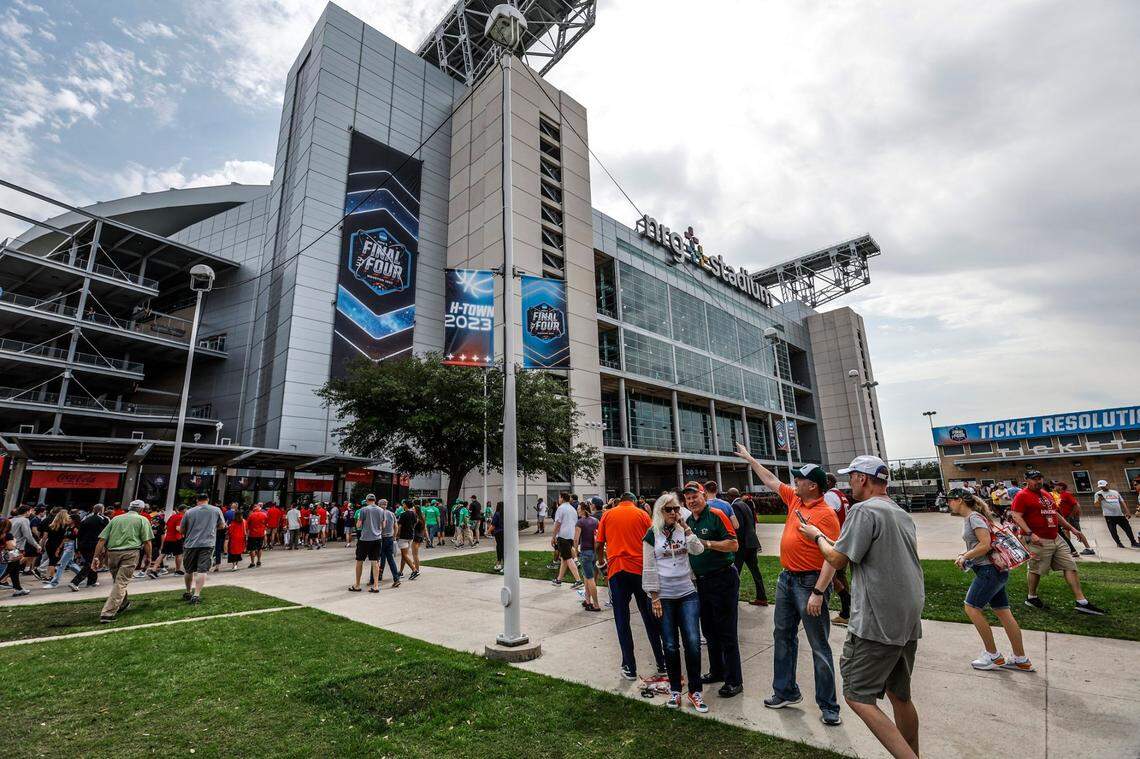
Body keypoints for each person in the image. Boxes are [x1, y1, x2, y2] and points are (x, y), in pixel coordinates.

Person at [798, 455, 925, 759]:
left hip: (877, 620)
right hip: (906, 618)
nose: (848, 482)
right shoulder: (898, 512)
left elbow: (837, 559)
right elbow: (851, 550)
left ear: (863, 479)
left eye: (851, 476)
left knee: (857, 695)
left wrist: (815, 536)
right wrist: (827, 540)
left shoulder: (863, 511)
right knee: (899, 695)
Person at [735, 448, 841, 724]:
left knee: (819, 645)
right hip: (787, 579)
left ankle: (829, 706)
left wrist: (818, 592)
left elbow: (833, 558)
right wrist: (749, 458)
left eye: (800, 479)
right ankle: (785, 691)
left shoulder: (826, 515)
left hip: (810, 583)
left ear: (813, 485)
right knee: (782, 635)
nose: (795, 482)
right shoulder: (796, 499)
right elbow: (770, 479)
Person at [945, 488, 1034, 671]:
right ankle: (1020, 659)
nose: (948, 504)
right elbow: (982, 543)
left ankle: (993, 655)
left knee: (971, 608)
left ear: (960, 500)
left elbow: (985, 545)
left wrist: (965, 556)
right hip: (993, 570)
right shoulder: (974, 517)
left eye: (950, 500)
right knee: (1003, 612)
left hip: (988, 571)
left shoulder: (974, 518)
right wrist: (967, 553)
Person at [641, 492, 708, 712]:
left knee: (692, 642)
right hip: (665, 596)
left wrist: (687, 529)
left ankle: (695, 691)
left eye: (676, 509)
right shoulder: (652, 535)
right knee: (670, 645)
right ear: (660, 512)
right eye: (668, 509)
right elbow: (649, 567)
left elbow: (698, 550)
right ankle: (675, 690)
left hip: (687, 592)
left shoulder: (684, 530)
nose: (673, 513)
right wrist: (655, 597)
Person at [679, 480, 743, 700]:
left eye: (694, 496)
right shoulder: (688, 521)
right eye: (687, 498)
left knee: (726, 632)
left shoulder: (716, 515)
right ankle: (717, 671)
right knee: (709, 630)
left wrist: (707, 543)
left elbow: (733, 544)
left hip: (723, 578)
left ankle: (734, 680)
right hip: (701, 582)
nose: (691, 500)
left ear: (703, 495)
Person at [1010, 471, 1106, 614]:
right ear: (1027, 481)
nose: (1038, 481)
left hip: (1055, 536)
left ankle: (1081, 602)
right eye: (1034, 479)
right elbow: (1016, 515)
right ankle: (1032, 597)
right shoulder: (1022, 495)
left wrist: (1072, 529)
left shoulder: (1046, 494)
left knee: (1070, 565)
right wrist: (1030, 533)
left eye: (1040, 478)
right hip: (1037, 539)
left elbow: (1055, 514)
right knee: (1037, 569)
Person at [596, 491, 666, 680]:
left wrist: (602, 564)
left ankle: (630, 666)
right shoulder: (642, 514)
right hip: (640, 570)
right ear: (634, 502)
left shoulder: (608, 514)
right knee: (650, 617)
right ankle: (662, 662)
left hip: (617, 570)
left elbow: (599, 543)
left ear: (621, 501)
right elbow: (653, 540)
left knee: (622, 619)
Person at [92, 500, 154, 622]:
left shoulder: (115, 519)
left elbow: (101, 539)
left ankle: (123, 603)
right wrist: (149, 557)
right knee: (121, 583)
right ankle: (107, 613)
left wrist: (96, 556)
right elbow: (147, 541)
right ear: (141, 510)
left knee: (118, 581)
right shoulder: (142, 520)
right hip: (130, 552)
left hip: (112, 553)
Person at [179, 493, 226, 605]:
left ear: (197, 500)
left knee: (188, 569)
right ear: (208, 499)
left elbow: (182, 530)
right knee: (202, 570)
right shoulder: (216, 510)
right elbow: (222, 525)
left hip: (191, 544)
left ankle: (188, 591)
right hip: (207, 543)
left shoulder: (189, 512)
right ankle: (196, 594)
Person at [727, 487, 767, 606]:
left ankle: (732, 599)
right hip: (752, 543)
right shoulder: (745, 504)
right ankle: (762, 597)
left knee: (735, 573)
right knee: (755, 572)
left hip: (742, 545)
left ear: (730, 497)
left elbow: (738, 527)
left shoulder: (735, 506)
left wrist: (734, 543)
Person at [824, 474, 853, 626]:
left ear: (828, 482)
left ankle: (846, 605)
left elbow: (825, 517)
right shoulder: (840, 495)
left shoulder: (829, 496)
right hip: (843, 539)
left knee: (831, 576)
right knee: (840, 576)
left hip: (835, 541)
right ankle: (847, 611)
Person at [70, 504, 108, 590]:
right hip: (95, 544)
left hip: (83, 544)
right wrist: (105, 546)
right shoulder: (103, 519)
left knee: (90, 561)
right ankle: (75, 582)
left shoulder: (85, 519)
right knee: (91, 562)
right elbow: (106, 533)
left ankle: (92, 581)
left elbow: (79, 534)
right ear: (101, 510)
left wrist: (77, 548)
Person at [350, 494, 384, 592]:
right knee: (375, 562)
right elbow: (382, 525)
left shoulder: (363, 510)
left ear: (366, 500)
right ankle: (376, 586)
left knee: (359, 561)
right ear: (375, 500)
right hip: (377, 538)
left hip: (365, 539)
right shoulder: (381, 510)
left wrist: (358, 524)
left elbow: (359, 524)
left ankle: (357, 585)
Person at [551, 492, 584, 588]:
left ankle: (578, 581)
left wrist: (553, 537)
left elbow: (557, 524)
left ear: (562, 498)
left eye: (559, 497)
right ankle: (558, 580)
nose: (558, 499)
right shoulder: (572, 509)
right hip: (570, 536)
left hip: (563, 536)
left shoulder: (560, 508)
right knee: (564, 559)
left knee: (568, 559)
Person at [1093, 479, 1138, 548]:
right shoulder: (1097, 494)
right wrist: (1099, 500)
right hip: (1109, 516)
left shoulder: (1115, 492)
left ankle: (1133, 542)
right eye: (1101, 487)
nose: (1102, 488)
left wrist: (1127, 511)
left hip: (1119, 514)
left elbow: (1122, 501)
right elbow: (1096, 505)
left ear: (1107, 485)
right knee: (1113, 530)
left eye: (1103, 486)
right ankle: (1119, 543)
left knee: (1128, 528)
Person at [575, 499, 601, 611]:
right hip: (594, 552)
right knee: (586, 577)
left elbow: (576, 539)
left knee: (590, 579)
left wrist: (576, 551)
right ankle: (587, 600)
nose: (577, 510)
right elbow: (599, 537)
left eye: (578, 509)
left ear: (582, 510)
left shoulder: (580, 522)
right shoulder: (595, 521)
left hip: (585, 552)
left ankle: (596, 604)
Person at [1054, 482, 1094, 556]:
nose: (1054, 487)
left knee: (1078, 532)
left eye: (1056, 486)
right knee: (1066, 533)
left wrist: (1072, 515)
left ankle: (1089, 548)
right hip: (1066, 518)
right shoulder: (1061, 495)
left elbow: (1076, 505)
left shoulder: (1066, 494)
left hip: (1070, 517)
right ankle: (1070, 549)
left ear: (1061, 487)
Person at [10, 505, 42, 581]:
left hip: (9, 545)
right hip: (17, 547)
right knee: (13, 566)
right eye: (30, 511)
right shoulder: (25, 520)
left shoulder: (11, 519)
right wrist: (37, 545)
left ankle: (16, 586)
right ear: (27, 512)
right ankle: (4, 581)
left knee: (12, 565)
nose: (31, 512)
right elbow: (28, 536)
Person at [2, 518, 28, 596]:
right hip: (8, 557)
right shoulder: (7, 535)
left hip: (6, 557)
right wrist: (14, 540)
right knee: (8, 571)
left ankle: (18, 588)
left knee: (14, 571)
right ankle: (17, 588)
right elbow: (11, 547)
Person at [377, 499, 401, 587]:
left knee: (378, 559)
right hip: (390, 538)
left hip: (380, 538)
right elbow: (396, 526)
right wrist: (394, 536)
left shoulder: (378, 513)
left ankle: (375, 577)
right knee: (390, 559)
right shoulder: (391, 513)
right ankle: (396, 578)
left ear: (379, 504)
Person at [396, 501, 419, 580]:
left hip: (403, 536)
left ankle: (414, 570)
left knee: (404, 555)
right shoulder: (414, 514)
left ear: (405, 505)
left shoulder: (403, 514)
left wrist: (397, 535)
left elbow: (399, 526)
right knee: (404, 555)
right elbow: (416, 522)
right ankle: (400, 572)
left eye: (403, 504)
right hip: (410, 536)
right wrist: (411, 528)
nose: (402, 505)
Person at [246, 502, 268, 567]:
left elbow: (247, 525)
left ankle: (252, 563)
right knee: (259, 548)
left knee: (252, 548)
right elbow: (266, 523)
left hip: (252, 534)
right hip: (261, 534)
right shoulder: (264, 515)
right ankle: (258, 561)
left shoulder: (251, 515)